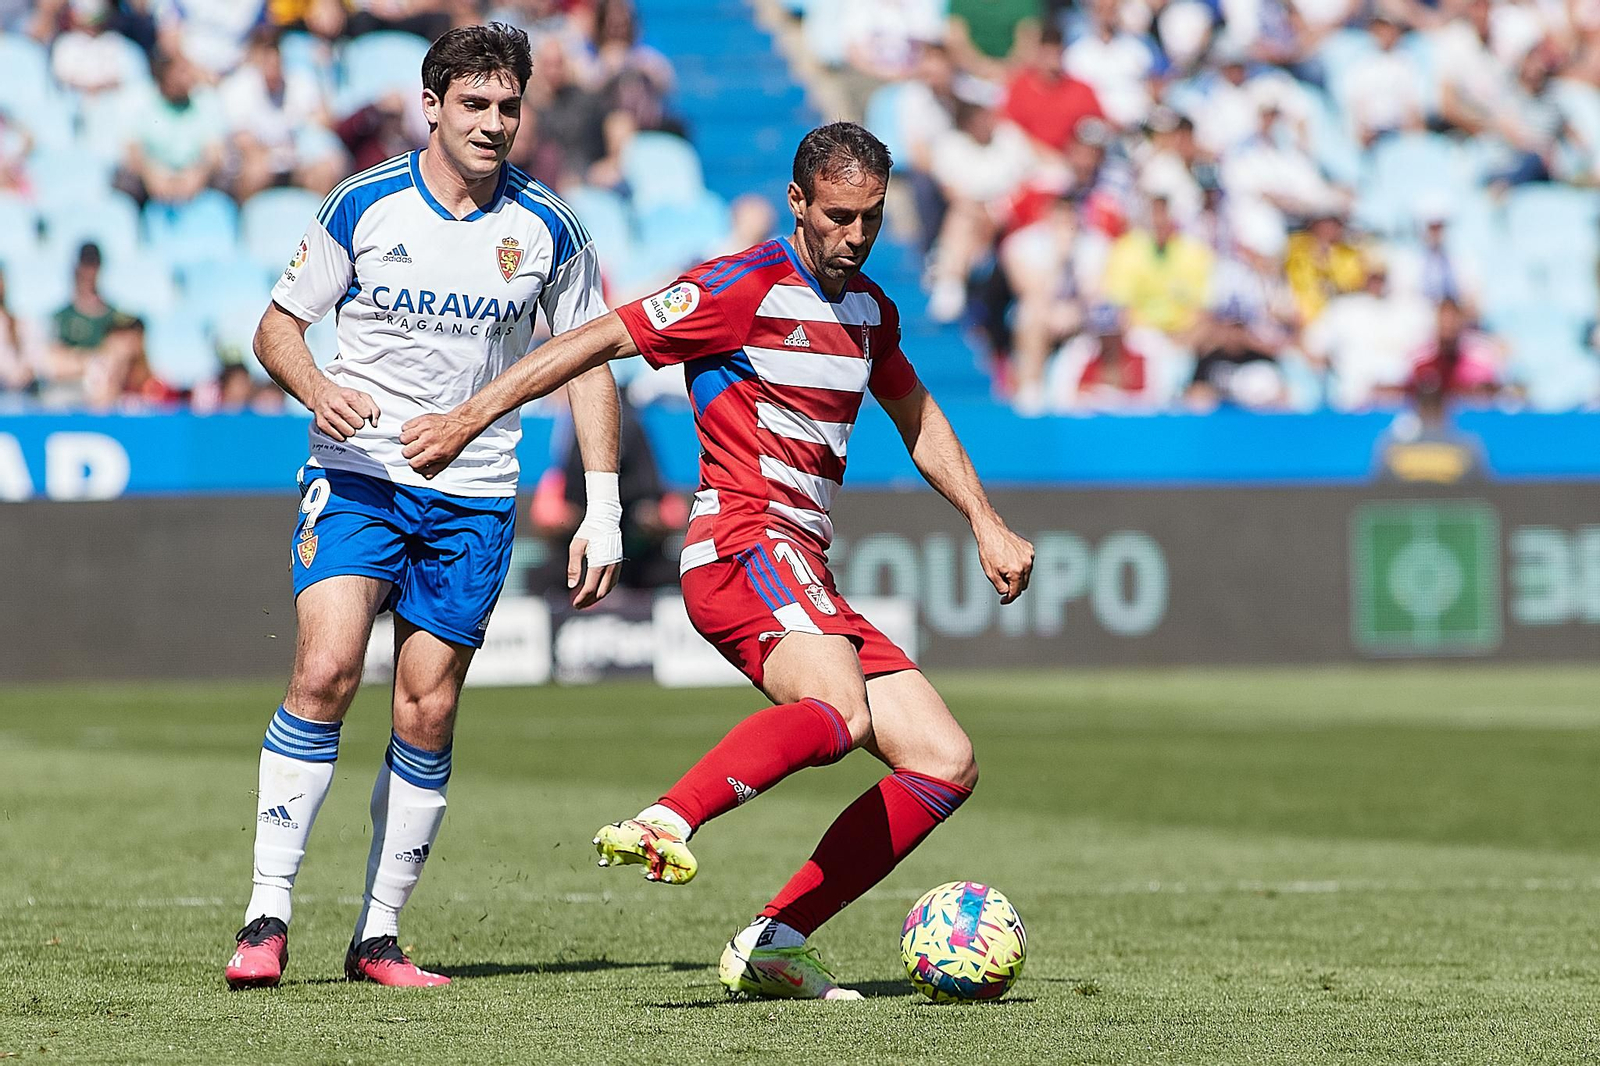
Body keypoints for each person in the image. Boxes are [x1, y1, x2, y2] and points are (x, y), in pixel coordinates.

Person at [398, 121, 1036, 1000]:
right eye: (839, 216)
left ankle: (777, 941)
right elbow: (595, 340)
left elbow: (917, 415)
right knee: (838, 709)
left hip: (802, 563)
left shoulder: (870, 312)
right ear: (797, 202)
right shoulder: (739, 287)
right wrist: (469, 418)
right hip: (742, 542)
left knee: (943, 759)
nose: (856, 235)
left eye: (872, 218)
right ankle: (669, 817)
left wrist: (985, 519)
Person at [224, 22, 625, 992]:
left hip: (475, 495)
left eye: (508, 107)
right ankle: (266, 916)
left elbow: (589, 364)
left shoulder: (551, 228)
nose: (492, 123)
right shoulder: (364, 204)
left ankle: (378, 937)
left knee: (428, 705)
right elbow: (275, 330)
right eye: (474, 104)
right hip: (359, 474)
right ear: (432, 106)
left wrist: (603, 506)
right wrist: (320, 389)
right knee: (326, 670)